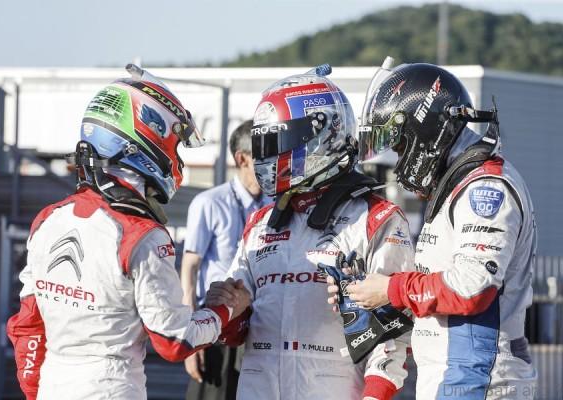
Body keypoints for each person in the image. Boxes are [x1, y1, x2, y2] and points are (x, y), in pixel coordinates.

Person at [6, 65, 251, 400]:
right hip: (112, 388)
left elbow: (28, 326)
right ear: (147, 143)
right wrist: (222, 310)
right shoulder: (143, 235)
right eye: (175, 145)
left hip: (52, 386)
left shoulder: (48, 219)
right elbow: (175, 341)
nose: (175, 160)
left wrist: (36, 389)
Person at [328, 62, 538, 399]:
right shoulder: (456, 186)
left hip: (477, 376)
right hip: (456, 374)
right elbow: (436, 292)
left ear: (425, 131)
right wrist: (366, 294)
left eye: (399, 146)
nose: (398, 162)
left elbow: (472, 290)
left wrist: (392, 289)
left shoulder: (484, 188)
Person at [206, 65, 415, 400]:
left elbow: (393, 334)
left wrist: (375, 395)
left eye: (277, 141)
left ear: (321, 136)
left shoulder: (378, 218)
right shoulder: (260, 222)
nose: (269, 156)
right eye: (263, 145)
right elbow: (239, 329)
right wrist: (227, 309)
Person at [181, 119, 266, 399]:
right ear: (242, 159)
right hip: (217, 325)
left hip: (260, 327)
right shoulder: (209, 203)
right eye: (263, 155)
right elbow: (190, 269)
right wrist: (190, 336)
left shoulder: (274, 207)